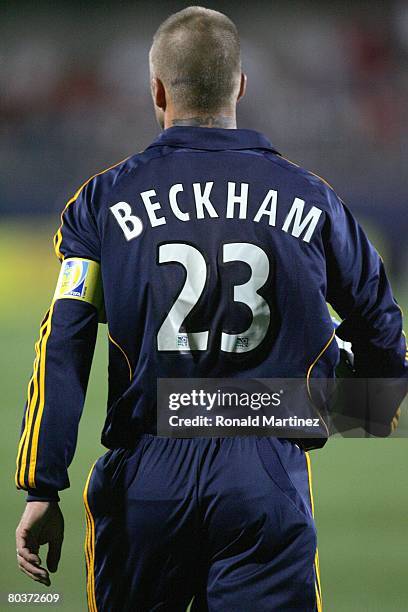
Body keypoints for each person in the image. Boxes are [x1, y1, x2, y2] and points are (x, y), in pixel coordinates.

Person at [15, 6, 407, 611]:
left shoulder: (102, 200)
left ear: (157, 89)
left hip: (144, 477)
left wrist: (42, 485)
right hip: (266, 474)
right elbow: (381, 326)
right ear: (241, 86)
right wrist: (367, 409)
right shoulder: (313, 199)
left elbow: (64, 341)